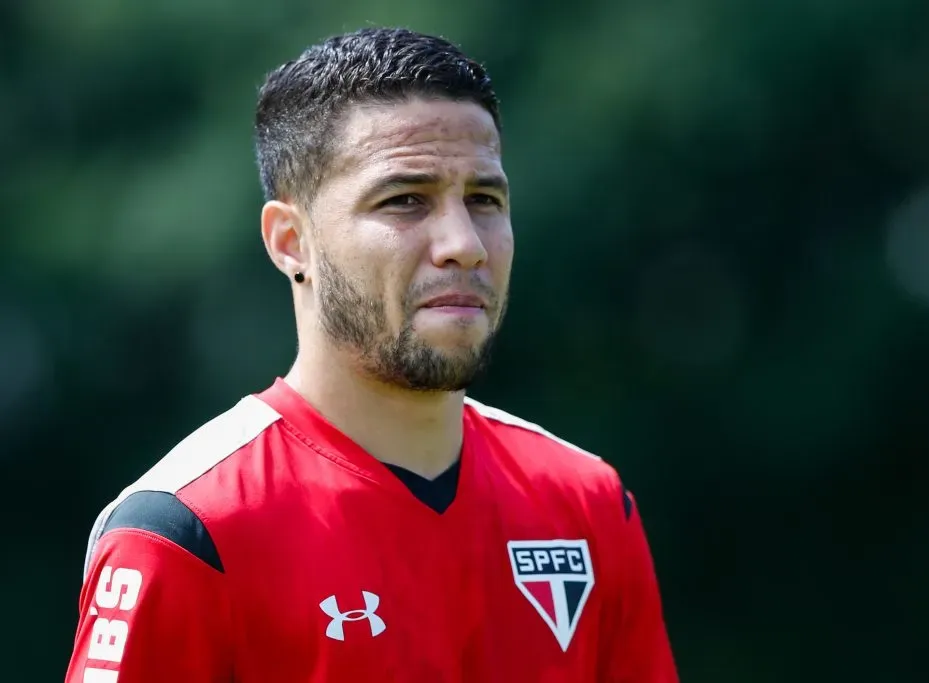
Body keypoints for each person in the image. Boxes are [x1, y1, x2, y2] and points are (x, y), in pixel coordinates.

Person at [64, 27, 678, 682]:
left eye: (484, 199)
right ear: (291, 241)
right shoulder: (184, 532)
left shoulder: (587, 506)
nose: (463, 242)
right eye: (405, 200)